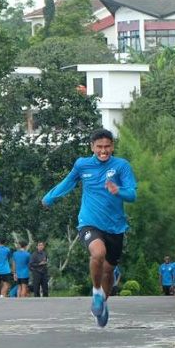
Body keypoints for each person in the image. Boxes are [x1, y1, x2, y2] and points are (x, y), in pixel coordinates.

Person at [42, 128, 137, 328]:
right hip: (89, 222)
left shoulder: (121, 166)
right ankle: (96, 292)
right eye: (99, 147)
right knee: (97, 253)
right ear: (92, 147)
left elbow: (132, 194)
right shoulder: (82, 164)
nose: (103, 151)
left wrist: (118, 190)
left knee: (108, 272)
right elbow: (68, 182)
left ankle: (103, 301)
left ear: (112, 146)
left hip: (115, 227)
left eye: (107, 146)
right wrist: (50, 197)